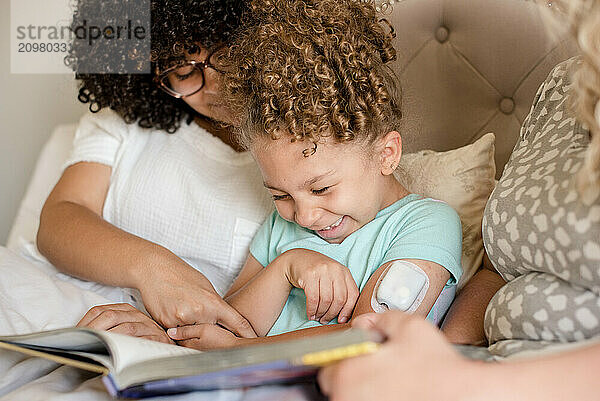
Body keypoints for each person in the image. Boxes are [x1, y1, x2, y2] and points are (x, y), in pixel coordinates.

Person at [318, 0, 600, 399]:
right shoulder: (562, 85)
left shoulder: (425, 223)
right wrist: (442, 359)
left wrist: (462, 384)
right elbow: (497, 270)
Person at [165, 0, 462, 350]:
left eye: (321, 189)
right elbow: (227, 322)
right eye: (281, 196)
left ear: (387, 155)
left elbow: (372, 337)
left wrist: (239, 350)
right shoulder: (282, 227)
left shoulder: (427, 223)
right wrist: (287, 267)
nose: (303, 216)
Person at [37, 0, 273, 343]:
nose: (213, 85)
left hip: (171, 348)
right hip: (53, 305)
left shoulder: (305, 155)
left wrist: (174, 337)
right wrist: (152, 267)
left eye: (226, 56)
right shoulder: (124, 119)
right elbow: (58, 220)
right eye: (183, 70)